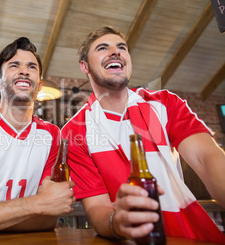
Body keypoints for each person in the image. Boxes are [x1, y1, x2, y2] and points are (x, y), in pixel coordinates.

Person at [61, 25, 225, 243]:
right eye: (102, 48)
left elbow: (206, 158)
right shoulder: (74, 132)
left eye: (122, 47)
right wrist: (118, 222)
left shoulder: (165, 103)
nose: (115, 51)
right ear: (85, 67)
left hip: (193, 236)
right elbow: (98, 208)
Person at [0, 37, 75, 236]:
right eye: (14, 65)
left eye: (31, 67)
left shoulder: (52, 135)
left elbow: (49, 216)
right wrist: (36, 205)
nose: (24, 71)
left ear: (40, 85)